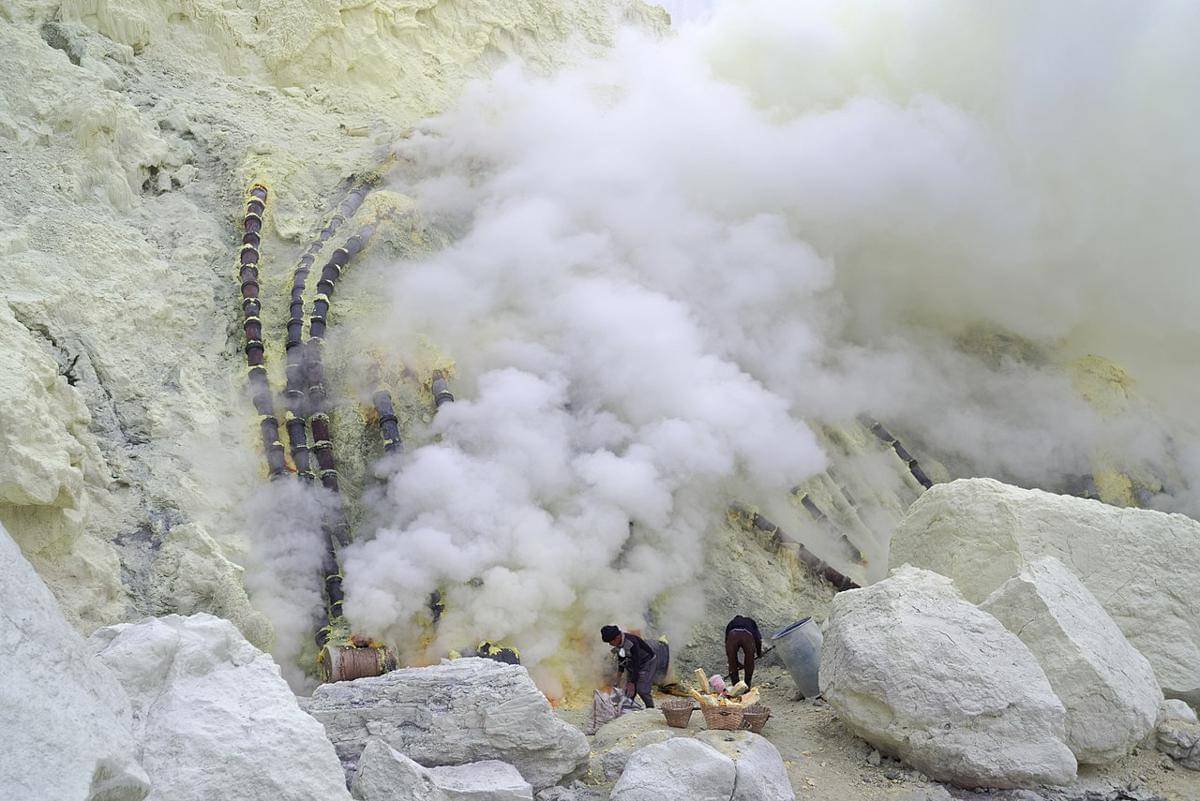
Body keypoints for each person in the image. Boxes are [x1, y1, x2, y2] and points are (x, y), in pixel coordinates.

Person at [600, 624, 658, 709]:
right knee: (628, 690)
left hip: (647, 662)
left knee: (642, 689)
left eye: (610, 642)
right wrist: (618, 677)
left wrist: (633, 682)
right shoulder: (619, 643)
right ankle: (627, 709)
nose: (610, 644)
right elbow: (621, 658)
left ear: (617, 637)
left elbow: (637, 664)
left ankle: (650, 709)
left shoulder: (631, 643)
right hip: (632, 662)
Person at [725, 615, 763, 688]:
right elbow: (758, 639)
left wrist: (736, 663)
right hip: (747, 635)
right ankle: (747, 684)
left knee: (731, 661)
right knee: (749, 659)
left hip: (733, 635)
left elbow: (728, 648)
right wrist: (759, 653)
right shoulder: (750, 621)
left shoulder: (731, 623)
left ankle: (736, 686)